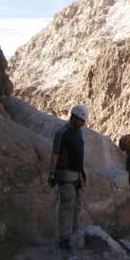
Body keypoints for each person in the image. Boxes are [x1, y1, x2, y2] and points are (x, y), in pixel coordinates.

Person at [48, 104, 89, 250]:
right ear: (73, 117)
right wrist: (52, 173)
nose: (83, 124)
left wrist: (82, 173)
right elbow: (55, 154)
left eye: (83, 121)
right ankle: (64, 238)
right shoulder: (62, 133)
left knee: (77, 205)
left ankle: (75, 233)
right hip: (65, 173)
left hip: (77, 174)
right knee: (66, 205)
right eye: (81, 121)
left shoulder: (78, 132)